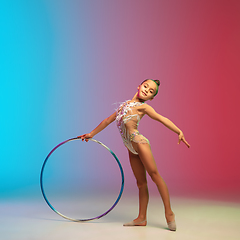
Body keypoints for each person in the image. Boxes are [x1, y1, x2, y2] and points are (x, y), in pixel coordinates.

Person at [78, 79, 190, 231]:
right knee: (141, 183)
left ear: (151, 98)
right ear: (139, 86)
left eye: (151, 91)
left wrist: (179, 131)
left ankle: (169, 213)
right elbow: (107, 121)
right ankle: (141, 218)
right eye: (145, 86)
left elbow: (161, 118)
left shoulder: (144, 107)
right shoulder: (123, 106)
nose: (147, 91)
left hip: (139, 142)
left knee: (155, 176)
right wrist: (91, 134)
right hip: (130, 147)